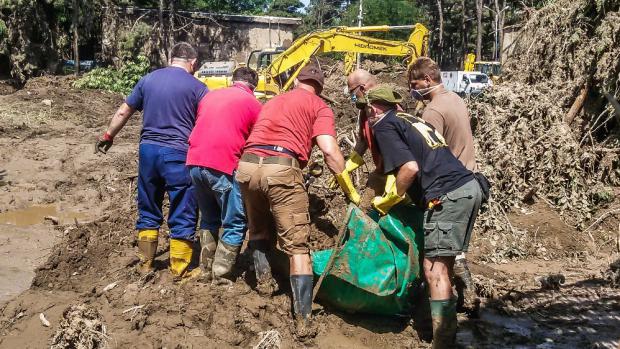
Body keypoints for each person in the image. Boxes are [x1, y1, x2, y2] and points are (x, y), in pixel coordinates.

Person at [235, 63, 360, 336]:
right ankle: (303, 320)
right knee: (298, 248)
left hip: (246, 167)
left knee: (257, 228)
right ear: (320, 89)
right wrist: (349, 191)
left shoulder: (273, 100)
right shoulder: (319, 107)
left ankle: (265, 284)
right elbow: (329, 151)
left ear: (297, 82)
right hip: (280, 169)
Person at [362, 85, 482, 348]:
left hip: (446, 195)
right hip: (469, 187)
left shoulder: (383, 125)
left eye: (365, 110)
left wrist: (388, 199)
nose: (365, 116)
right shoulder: (410, 118)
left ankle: (443, 342)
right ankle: (438, 328)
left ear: (373, 108)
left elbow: (410, 168)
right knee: (444, 265)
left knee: (433, 270)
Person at [95, 42, 208, 280]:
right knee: (183, 206)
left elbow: (123, 111)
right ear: (193, 63)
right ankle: (179, 268)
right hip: (178, 153)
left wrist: (108, 135)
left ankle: (145, 263)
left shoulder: (147, 80)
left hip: (148, 151)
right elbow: (207, 123)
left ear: (171, 58)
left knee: (148, 204)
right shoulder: (199, 88)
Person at [408, 57, 479, 315]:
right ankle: (465, 297)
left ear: (427, 80)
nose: (412, 90)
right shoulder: (456, 99)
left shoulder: (433, 111)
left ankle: (448, 309)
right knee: (454, 247)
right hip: (470, 178)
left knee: (439, 253)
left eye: (414, 84)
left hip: (448, 183)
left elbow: (429, 150)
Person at [186, 67, 261, 282]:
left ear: (232, 80)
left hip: (194, 162)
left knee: (209, 218)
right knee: (235, 222)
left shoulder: (210, 96)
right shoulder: (253, 104)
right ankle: (221, 275)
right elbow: (257, 140)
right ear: (253, 87)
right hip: (223, 164)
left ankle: (205, 269)